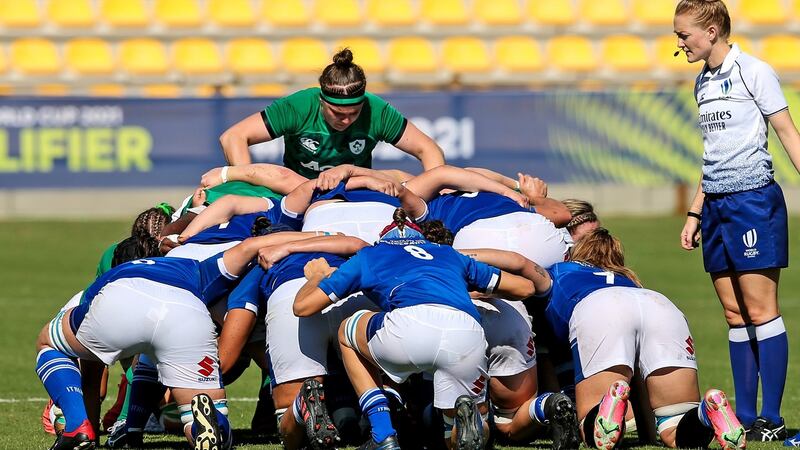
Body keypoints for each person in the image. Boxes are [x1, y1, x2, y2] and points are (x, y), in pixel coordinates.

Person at [34, 231, 316, 450]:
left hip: (120, 300)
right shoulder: (190, 266)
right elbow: (250, 246)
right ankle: (201, 427)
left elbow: (93, 373)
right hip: (185, 312)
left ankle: (76, 424)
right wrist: (319, 237)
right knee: (205, 412)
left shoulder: (107, 279)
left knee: (49, 342)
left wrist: (89, 426)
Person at [293, 208, 545, 450]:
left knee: (347, 331)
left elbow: (303, 306)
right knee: (455, 432)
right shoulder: (448, 254)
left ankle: (383, 435)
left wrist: (318, 275)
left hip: (410, 326)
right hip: (467, 331)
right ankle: (468, 425)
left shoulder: (370, 255)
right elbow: (525, 287)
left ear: (383, 238)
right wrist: (462, 290)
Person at [674, 0, 800, 442]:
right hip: (717, 208)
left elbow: (786, 131)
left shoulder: (754, 71)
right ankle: (743, 417)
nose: (679, 42)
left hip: (753, 203)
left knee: (762, 309)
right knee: (733, 312)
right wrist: (694, 212)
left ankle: (772, 418)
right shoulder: (701, 82)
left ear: (711, 31)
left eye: (684, 33)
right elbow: (713, 156)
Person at [540, 228, 745, 450]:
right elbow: (639, 374)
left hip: (600, 308)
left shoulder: (559, 271)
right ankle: (706, 413)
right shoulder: (630, 280)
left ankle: (605, 406)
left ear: (572, 255)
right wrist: (648, 436)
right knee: (674, 426)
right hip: (660, 305)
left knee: (588, 424)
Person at [218, 48, 445, 177]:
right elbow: (233, 137)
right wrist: (246, 183)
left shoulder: (377, 110)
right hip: (298, 194)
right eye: (337, 113)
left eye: (354, 113)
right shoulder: (298, 106)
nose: (346, 120)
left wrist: (436, 194)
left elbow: (429, 149)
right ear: (321, 101)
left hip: (355, 195)